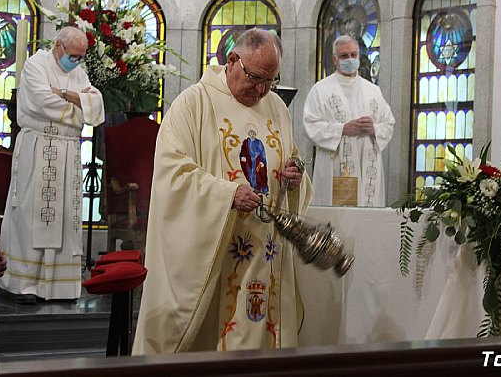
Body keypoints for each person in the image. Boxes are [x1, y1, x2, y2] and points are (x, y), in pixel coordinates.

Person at [133, 28, 312, 354]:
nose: (261, 90)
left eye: (270, 81)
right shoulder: (194, 103)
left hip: (265, 252)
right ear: (232, 61)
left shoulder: (276, 106)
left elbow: (292, 158)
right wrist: (226, 194)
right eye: (256, 78)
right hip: (217, 247)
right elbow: (173, 173)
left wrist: (294, 174)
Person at [0, 26, 105, 304]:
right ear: (59, 46)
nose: (76, 62)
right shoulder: (36, 65)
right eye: (73, 55)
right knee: (32, 214)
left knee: (65, 216)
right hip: (38, 149)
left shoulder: (78, 72)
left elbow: (96, 105)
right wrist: (77, 108)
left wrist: (67, 95)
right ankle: (24, 283)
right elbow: (41, 102)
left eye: (81, 57)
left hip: (67, 152)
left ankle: (60, 286)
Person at [303, 35, 395, 207]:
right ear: (335, 60)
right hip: (336, 166)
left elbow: (388, 123)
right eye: (344, 56)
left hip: (367, 164)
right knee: (339, 221)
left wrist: (374, 129)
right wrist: (342, 129)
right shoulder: (321, 90)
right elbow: (310, 126)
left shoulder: (373, 90)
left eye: (354, 55)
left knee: (367, 219)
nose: (350, 59)